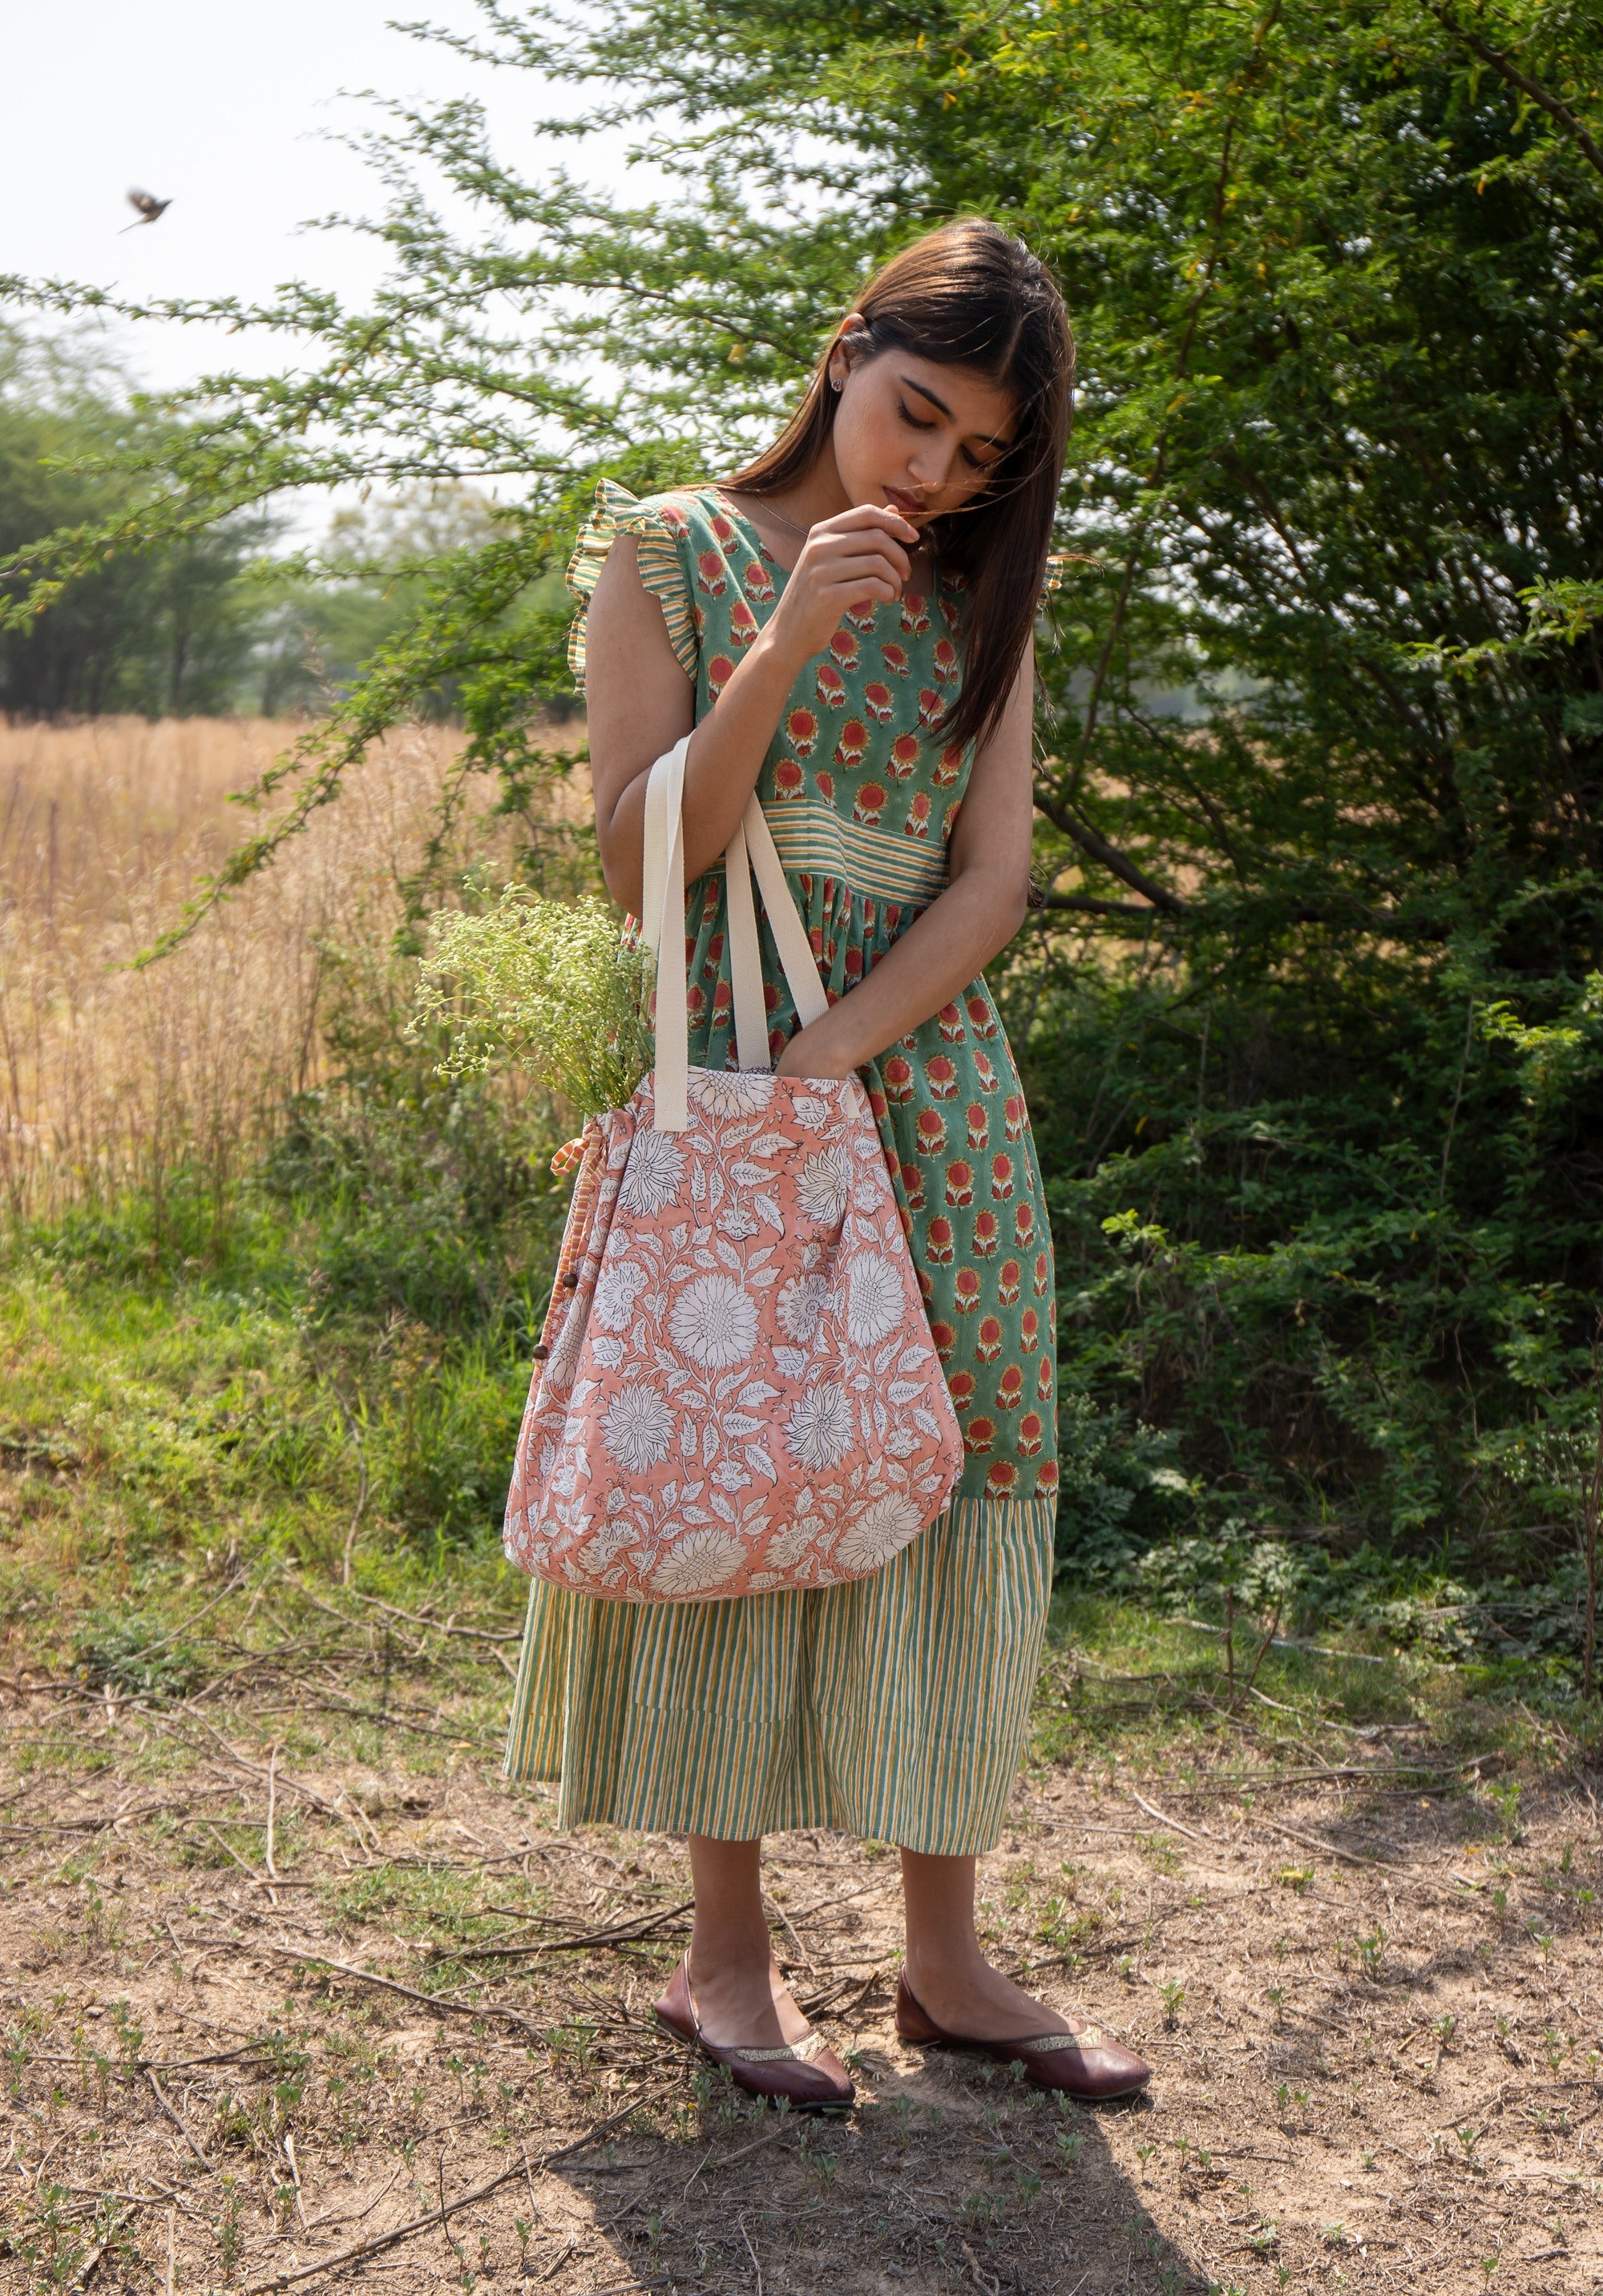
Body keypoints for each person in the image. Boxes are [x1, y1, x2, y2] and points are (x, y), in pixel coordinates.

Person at [503, 217, 1150, 2108]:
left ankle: (947, 1959)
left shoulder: (977, 605)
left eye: (978, 453)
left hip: (927, 1093)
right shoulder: (668, 551)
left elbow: (992, 881)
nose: (932, 471)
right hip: (721, 1077)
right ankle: (725, 1957)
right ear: (844, 350)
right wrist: (784, 642)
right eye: (915, 413)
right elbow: (644, 868)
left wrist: (842, 1051)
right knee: (741, 1455)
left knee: (969, 1472)